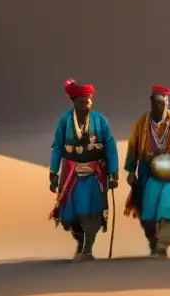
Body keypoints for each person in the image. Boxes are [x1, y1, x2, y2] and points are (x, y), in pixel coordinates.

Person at [122, 85, 170, 257]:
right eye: (155, 102)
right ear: (151, 103)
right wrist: (130, 170)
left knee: (167, 208)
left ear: (167, 102)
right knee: (147, 212)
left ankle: (163, 246)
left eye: (162, 102)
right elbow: (133, 146)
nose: (159, 106)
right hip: (146, 172)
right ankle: (153, 242)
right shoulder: (142, 122)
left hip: (169, 173)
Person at [49, 78, 120, 262]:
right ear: (74, 101)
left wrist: (114, 172)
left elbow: (110, 146)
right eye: (82, 101)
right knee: (70, 216)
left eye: (88, 100)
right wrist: (53, 173)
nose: (86, 104)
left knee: (92, 212)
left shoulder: (100, 120)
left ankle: (87, 250)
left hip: (94, 174)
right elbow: (57, 146)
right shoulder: (65, 121)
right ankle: (80, 241)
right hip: (71, 175)